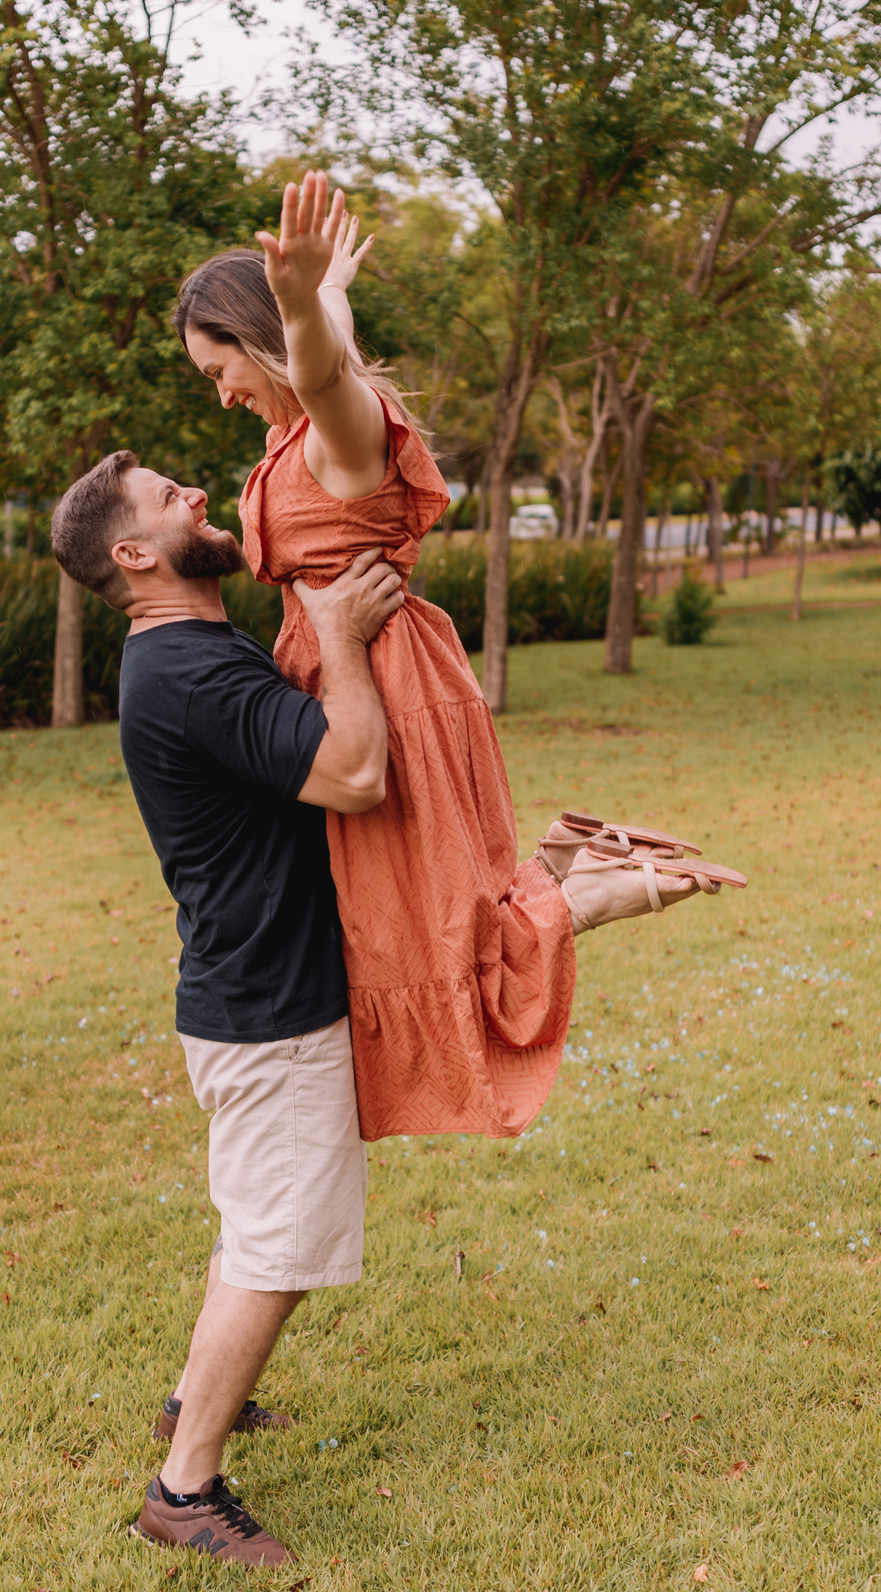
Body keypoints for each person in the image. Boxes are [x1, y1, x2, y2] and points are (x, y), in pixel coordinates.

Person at [172, 169, 746, 1144]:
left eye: (217, 370)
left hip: (388, 695)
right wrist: (331, 293)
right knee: (405, 917)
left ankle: (593, 890)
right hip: (351, 689)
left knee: (426, 924)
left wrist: (307, 307)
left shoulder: (336, 438)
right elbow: (323, 360)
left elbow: (321, 371)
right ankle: (572, 862)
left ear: (260, 339)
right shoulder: (298, 438)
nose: (220, 396)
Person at [50, 451, 405, 1566]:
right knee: (280, 1247)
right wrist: (341, 639)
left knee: (259, 1223)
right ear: (134, 554)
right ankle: (183, 1485)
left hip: (250, 995)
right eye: (169, 499)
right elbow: (353, 774)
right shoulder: (188, 672)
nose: (199, 495)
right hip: (268, 1012)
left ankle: (191, 1402)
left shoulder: (190, 648)